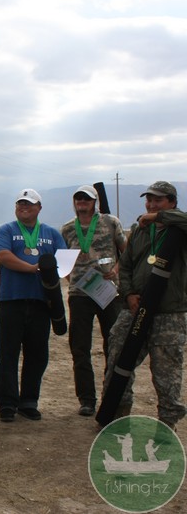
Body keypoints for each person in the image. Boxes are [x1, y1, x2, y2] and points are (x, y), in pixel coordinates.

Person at [101, 181, 187, 429]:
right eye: (149, 200)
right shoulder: (139, 231)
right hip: (134, 309)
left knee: (167, 372)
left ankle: (167, 424)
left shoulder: (179, 229)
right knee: (118, 360)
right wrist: (128, 294)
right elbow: (126, 265)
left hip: (169, 313)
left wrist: (156, 217)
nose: (151, 205)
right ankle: (117, 416)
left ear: (172, 202)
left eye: (158, 200)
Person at [0, 189, 66, 422]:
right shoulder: (7, 230)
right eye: (20, 203)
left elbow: (64, 263)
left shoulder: (51, 234)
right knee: (7, 353)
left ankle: (28, 401)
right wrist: (33, 268)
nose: (24, 207)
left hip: (41, 302)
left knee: (37, 354)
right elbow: (3, 256)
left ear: (39, 208)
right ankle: (7, 404)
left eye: (29, 204)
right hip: (11, 300)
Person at [60, 185, 126, 417]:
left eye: (86, 198)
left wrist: (116, 270)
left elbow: (126, 252)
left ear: (94, 201)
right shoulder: (68, 228)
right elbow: (62, 262)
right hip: (80, 296)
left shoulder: (111, 222)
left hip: (108, 293)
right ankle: (86, 399)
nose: (82, 202)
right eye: (78, 198)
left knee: (113, 344)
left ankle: (111, 394)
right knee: (80, 348)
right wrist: (73, 280)